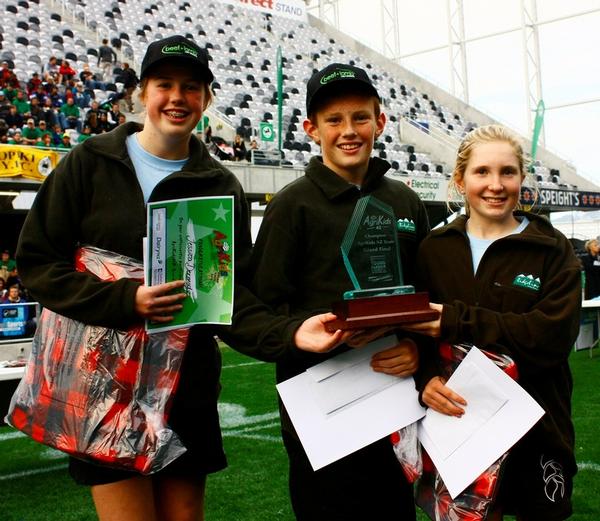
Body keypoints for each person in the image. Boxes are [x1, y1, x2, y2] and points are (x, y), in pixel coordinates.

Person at [16, 35, 344, 521]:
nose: (177, 98)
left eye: (191, 87)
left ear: (207, 98)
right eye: (164, 84)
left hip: (186, 384)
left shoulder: (219, 184)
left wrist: (292, 332)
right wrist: (128, 300)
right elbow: (38, 264)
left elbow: (227, 299)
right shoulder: (91, 162)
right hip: (102, 380)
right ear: (141, 92)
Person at [247, 63, 430, 520]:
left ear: (380, 122)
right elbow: (251, 307)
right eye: (333, 120)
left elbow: (429, 295)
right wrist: (295, 333)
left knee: (394, 510)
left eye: (360, 117)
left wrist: (416, 348)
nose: (349, 131)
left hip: (394, 394)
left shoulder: (405, 201)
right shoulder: (292, 205)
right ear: (311, 129)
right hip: (320, 402)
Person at [403, 125, 580, 521]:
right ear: (460, 180)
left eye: (508, 172)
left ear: (521, 178)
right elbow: (414, 334)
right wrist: (427, 378)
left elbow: (551, 337)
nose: (495, 185)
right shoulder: (434, 249)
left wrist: (456, 320)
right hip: (458, 427)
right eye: (482, 172)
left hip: (537, 428)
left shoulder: (552, 249)